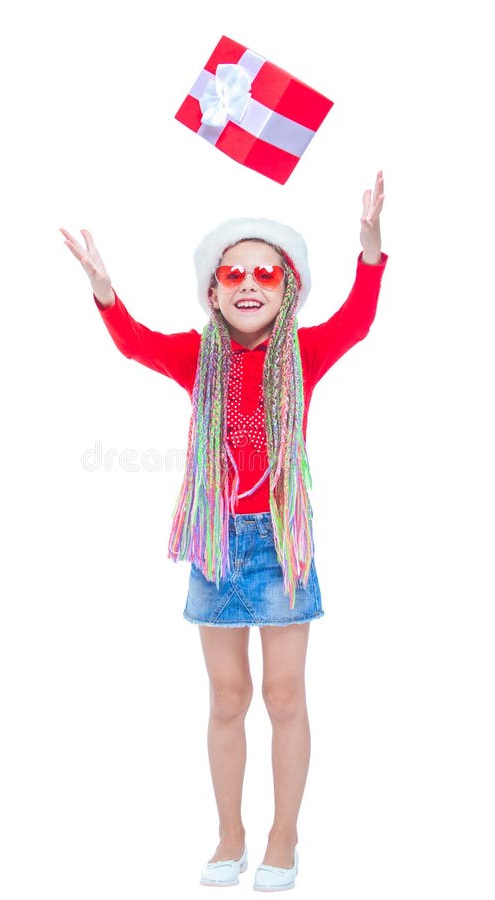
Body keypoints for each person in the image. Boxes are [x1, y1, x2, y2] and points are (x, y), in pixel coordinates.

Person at [60, 171, 387, 891]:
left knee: (286, 696)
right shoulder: (197, 356)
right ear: (212, 291)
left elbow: (358, 325)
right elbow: (136, 344)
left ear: (287, 288)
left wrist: (369, 255)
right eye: (232, 273)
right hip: (216, 546)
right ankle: (229, 833)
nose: (248, 284)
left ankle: (283, 836)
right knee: (228, 698)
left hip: (278, 544)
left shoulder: (301, 355)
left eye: (264, 273)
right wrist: (107, 295)